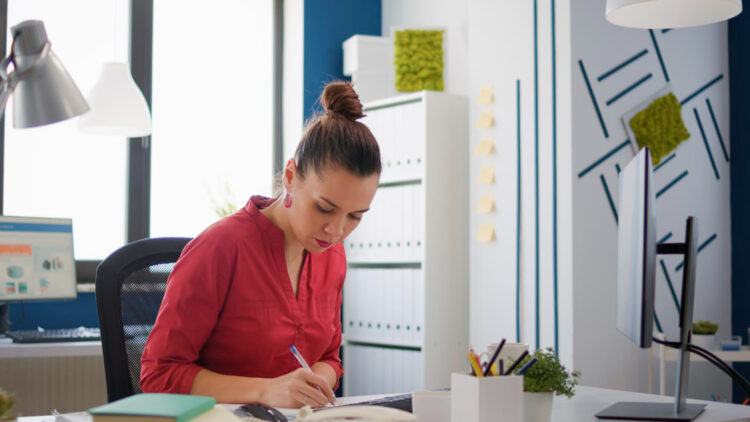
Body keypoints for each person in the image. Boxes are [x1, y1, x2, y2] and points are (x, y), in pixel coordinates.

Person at [139, 81, 381, 408]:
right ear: (291, 176)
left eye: (355, 216)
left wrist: (317, 382)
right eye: (325, 207)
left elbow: (329, 358)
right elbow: (160, 374)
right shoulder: (220, 248)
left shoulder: (332, 255)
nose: (336, 230)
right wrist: (266, 391)